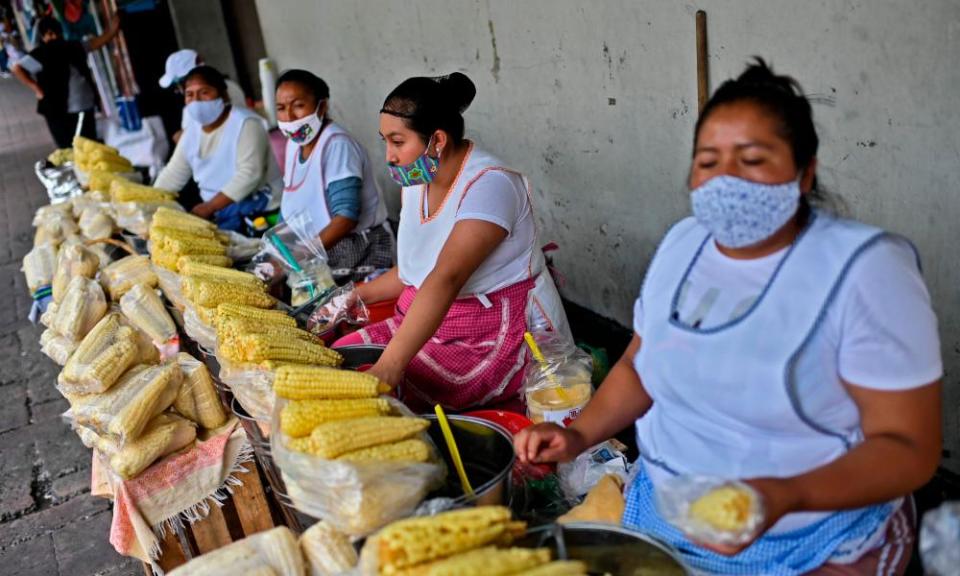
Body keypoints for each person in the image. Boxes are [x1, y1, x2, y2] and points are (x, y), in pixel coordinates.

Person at [514, 59, 941, 575]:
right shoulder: (683, 244)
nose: (726, 181)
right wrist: (578, 436)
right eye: (709, 162)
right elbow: (638, 365)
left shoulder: (865, 271)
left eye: (753, 159)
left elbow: (908, 449)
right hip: (666, 519)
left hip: (809, 540)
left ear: (805, 172)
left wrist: (784, 496)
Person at [333, 72, 571, 413]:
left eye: (398, 142)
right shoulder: (416, 182)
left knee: (399, 394)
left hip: (490, 335)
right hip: (425, 320)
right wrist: (353, 297)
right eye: (385, 140)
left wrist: (390, 366)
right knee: (340, 357)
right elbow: (413, 271)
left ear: (437, 141)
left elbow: (446, 277)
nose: (388, 156)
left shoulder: (491, 185)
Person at [274, 69, 392, 280]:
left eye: (299, 106)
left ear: (323, 106)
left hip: (356, 251)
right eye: (281, 108)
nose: (289, 116)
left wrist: (299, 254)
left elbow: (346, 218)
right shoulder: (294, 144)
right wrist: (277, 250)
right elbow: (290, 200)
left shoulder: (337, 145)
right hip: (314, 251)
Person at [153, 65, 281, 232]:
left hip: (259, 212)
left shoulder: (247, 123)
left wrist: (210, 206)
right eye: (189, 95)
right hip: (220, 214)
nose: (196, 101)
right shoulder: (191, 132)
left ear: (224, 95)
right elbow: (173, 174)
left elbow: (249, 174)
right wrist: (149, 201)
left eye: (204, 93)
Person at [11, 15, 120, 147]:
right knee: (87, 145)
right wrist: (113, 27)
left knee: (68, 146)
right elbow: (101, 40)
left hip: (57, 108)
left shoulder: (41, 53)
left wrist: (37, 89)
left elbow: (17, 68)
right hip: (80, 105)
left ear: (45, 34)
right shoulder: (73, 46)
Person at [158, 48, 248, 142]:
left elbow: (190, 141)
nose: (178, 90)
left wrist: (181, 136)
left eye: (177, 85)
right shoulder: (230, 85)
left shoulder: (200, 103)